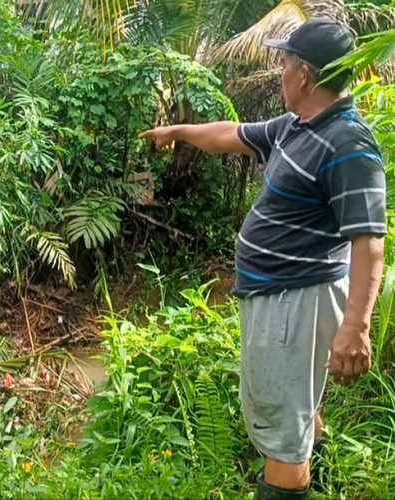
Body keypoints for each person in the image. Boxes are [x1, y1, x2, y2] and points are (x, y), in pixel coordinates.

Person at [140, 18, 386, 499]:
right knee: (295, 408)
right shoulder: (300, 126)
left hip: (297, 300)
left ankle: (285, 484)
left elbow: (369, 240)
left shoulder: (348, 145)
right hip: (280, 298)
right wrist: (178, 130)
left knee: (281, 422)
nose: (279, 71)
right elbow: (231, 133)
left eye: (285, 62)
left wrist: (356, 326)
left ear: (305, 75)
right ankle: (308, 472)